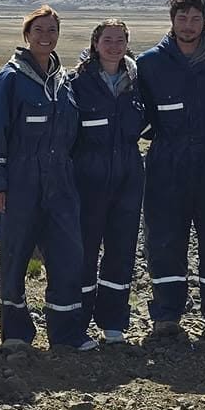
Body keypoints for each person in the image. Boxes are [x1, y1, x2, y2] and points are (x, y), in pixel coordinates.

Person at [0, 6, 93, 352]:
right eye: (39, 30)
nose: (46, 36)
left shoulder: (63, 82)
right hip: (19, 186)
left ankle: (67, 335)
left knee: (67, 257)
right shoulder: (8, 80)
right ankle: (16, 335)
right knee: (14, 258)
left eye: (52, 30)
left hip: (60, 187)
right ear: (27, 35)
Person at [137, 0, 205, 341]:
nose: (189, 25)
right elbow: (137, 111)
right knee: (164, 242)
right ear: (172, 21)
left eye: (196, 19)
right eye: (182, 18)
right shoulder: (150, 63)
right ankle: (167, 316)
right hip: (167, 167)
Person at [70, 18, 144, 343]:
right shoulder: (78, 81)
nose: (113, 46)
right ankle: (77, 323)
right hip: (89, 177)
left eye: (119, 39)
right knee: (83, 252)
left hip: (128, 176)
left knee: (121, 250)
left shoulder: (139, 80)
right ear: (95, 44)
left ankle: (113, 323)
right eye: (107, 40)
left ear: (127, 43)